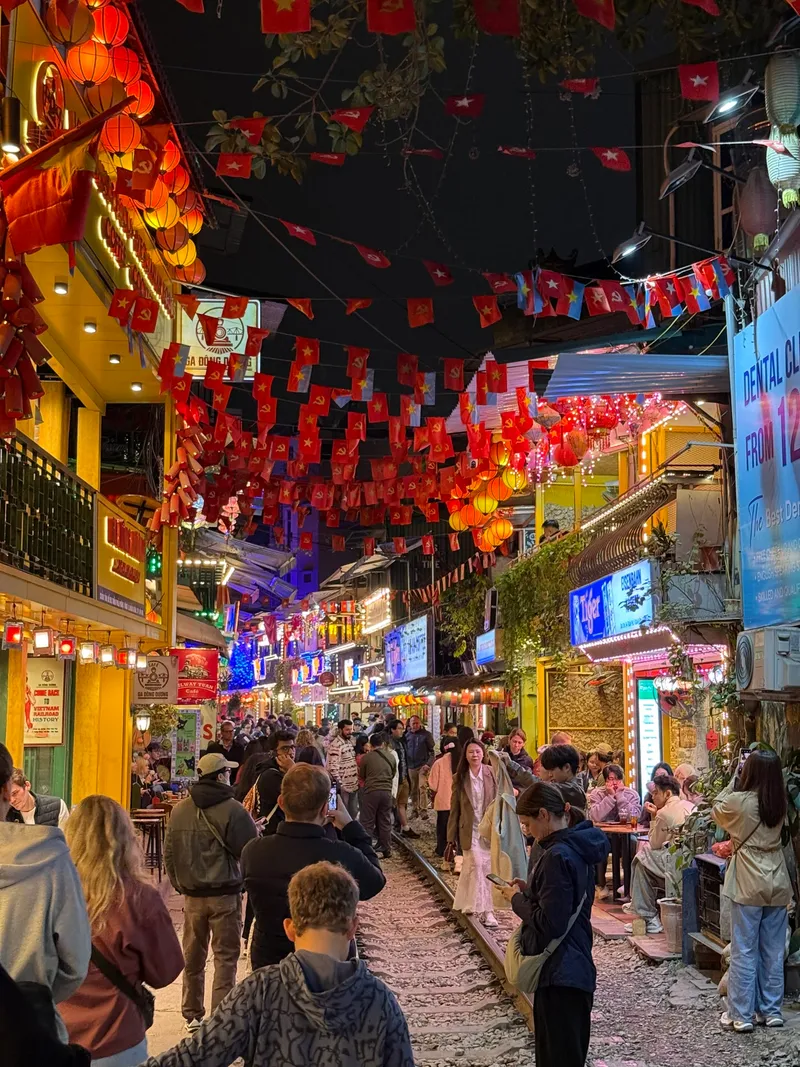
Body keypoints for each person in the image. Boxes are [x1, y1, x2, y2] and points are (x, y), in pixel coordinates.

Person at [141, 860, 411, 1067]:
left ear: (290, 929)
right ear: (353, 927)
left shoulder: (259, 991)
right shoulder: (381, 1001)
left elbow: (196, 1056)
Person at [59, 796, 184, 1066]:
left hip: (57, 1039)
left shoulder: (51, 891)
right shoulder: (138, 898)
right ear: (125, 838)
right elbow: (165, 972)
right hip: (118, 1040)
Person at [499, 783, 609, 1067]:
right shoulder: (577, 846)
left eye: (527, 824)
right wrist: (530, 891)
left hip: (560, 974)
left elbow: (550, 923)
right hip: (574, 967)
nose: (527, 831)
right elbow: (562, 900)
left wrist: (515, 900)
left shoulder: (557, 856)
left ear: (544, 815)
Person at [241, 763, 386, 969]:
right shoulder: (341, 855)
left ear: (281, 803)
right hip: (328, 965)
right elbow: (375, 882)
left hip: (268, 963)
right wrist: (351, 827)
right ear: (326, 808)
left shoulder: (253, 852)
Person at [0, 742, 90, 1044]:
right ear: (5, 792)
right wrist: (36, 994)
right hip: (30, 1032)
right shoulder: (52, 861)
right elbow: (75, 964)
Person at [164, 751, 258, 1032]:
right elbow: (250, 852)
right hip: (226, 895)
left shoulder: (180, 810)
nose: (229, 775)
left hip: (193, 896)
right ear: (219, 776)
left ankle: (192, 1015)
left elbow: (169, 854)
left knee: (193, 957)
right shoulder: (234, 810)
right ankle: (221, 1019)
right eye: (226, 772)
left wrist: (181, 885)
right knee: (225, 958)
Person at [713, 749, 792, 1032]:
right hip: (777, 879)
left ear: (750, 772)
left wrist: (734, 779)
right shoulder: (779, 802)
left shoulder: (741, 802)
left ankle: (741, 1014)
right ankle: (771, 1011)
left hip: (748, 879)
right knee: (772, 950)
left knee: (744, 949)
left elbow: (717, 808)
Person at [622, 775, 693, 935]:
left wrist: (654, 816)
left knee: (642, 858)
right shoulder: (690, 805)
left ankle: (647, 916)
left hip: (677, 862)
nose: (652, 797)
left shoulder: (665, 812)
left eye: (656, 793)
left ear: (667, 794)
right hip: (690, 859)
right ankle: (642, 908)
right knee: (644, 859)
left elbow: (654, 843)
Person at [448, 739, 498, 927]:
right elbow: (454, 808)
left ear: (483, 753)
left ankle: (476, 905)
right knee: (476, 865)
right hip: (469, 829)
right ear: (465, 755)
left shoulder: (491, 773)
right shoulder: (459, 777)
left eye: (477, 751)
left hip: (488, 829)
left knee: (486, 868)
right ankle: (485, 910)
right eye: (471, 752)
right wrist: (450, 837)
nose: (474, 755)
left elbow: (500, 799)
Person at [359, 731, 397, 859]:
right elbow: (393, 773)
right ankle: (386, 848)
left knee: (367, 821)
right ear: (382, 743)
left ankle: (366, 848)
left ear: (371, 744)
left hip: (371, 791)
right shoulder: (391, 757)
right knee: (385, 820)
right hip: (386, 791)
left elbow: (362, 775)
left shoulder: (366, 758)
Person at [253, 731, 297, 830]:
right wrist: (293, 770)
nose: (291, 752)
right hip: (274, 830)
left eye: (293, 747)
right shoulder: (270, 775)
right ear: (274, 752)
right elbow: (299, 799)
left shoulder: (283, 771)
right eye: (285, 748)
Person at [428, 738, 460, 857]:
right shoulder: (462, 762)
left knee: (442, 827)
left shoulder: (439, 762)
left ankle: (442, 849)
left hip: (443, 801)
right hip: (458, 802)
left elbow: (433, 784)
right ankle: (456, 851)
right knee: (455, 828)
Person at [387, 719, 418, 839]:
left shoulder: (401, 742)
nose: (402, 731)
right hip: (396, 779)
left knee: (401, 804)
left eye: (402, 728)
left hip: (404, 777)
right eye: (399, 728)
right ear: (392, 730)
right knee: (391, 804)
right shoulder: (389, 743)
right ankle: (386, 828)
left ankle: (405, 827)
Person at [539, 744, 587, 823]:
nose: (550, 774)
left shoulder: (572, 789)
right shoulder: (571, 786)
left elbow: (540, 786)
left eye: (552, 770)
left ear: (567, 767)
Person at [326, 719, 360, 819]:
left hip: (353, 785)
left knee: (352, 813)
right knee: (342, 815)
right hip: (342, 787)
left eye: (351, 729)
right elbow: (333, 768)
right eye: (347, 730)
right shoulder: (336, 745)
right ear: (340, 730)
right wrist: (341, 785)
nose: (350, 732)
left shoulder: (348, 742)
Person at [405, 714, 435, 820]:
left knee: (422, 787)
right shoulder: (407, 736)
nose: (415, 725)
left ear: (420, 723)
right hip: (411, 766)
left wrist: (428, 764)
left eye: (417, 723)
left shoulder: (426, 735)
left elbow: (432, 752)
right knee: (413, 789)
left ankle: (423, 810)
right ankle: (414, 809)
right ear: (410, 724)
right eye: (413, 723)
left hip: (422, 766)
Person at [639, 761, 674, 828]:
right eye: (656, 776)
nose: (659, 778)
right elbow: (643, 820)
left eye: (663, 775)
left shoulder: (673, 799)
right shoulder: (649, 797)